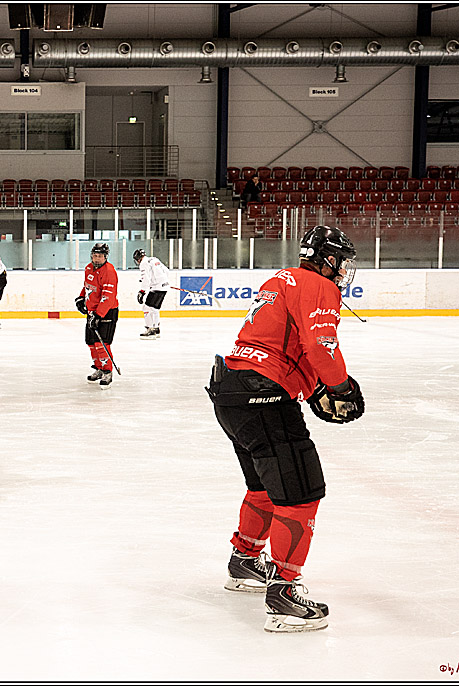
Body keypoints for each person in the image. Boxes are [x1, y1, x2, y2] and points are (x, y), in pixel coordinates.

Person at [205, 225, 365, 634]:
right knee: (301, 492)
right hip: (265, 396)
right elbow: (321, 346)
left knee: (263, 485)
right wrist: (339, 387)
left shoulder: (280, 279)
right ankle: (285, 595)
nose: (344, 270)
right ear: (328, 259)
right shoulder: (318, 285)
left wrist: (311, 391)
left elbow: (281, 344)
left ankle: (244, 562)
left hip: (232, 391)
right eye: (342, 261)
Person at [75, 242, 119, 389]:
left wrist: (98, 315)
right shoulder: (89, 268)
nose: (96, 258)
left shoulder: (109, 271)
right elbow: (87, 286)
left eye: (100, 256)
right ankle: (99, 368)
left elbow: (108, 296)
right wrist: (81, 298)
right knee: (91, 342)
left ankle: (108, 372)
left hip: (106, 312)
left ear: (105, 257)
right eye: (94, 255)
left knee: (102, 344)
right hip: (92, 312)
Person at [133, 248, 170, 339]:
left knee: (146, 308)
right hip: (163, 287)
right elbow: (166, 271)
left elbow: (146, 278)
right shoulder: (154, 259)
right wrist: (163, 282)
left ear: (138, 259)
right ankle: (156, 329)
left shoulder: (143, 263)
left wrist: (142, 291)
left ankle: (151, 329)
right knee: (154, 308)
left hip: (156, 288)